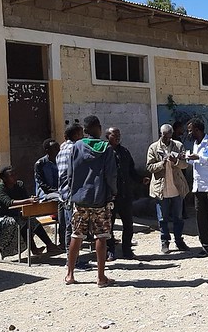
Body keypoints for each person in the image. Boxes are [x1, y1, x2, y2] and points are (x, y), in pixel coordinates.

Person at [65, 115, 118, 287]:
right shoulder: (106, 148)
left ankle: (70, 274)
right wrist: (113, 192)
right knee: (101, 236)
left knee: (76, 235)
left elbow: (70, 173)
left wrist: (72, 192)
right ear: (98, 128)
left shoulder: (76, 147)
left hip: (80, 199)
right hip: (100, 199)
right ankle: (101, 277)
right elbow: (111, 175)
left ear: (85, 130)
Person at [0, 166, 59, 259]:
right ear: (4, 178)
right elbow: (9, 202)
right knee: (22, 222)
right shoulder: (0, 188)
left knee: (32, 221)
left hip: (13, 215)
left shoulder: (19, 185)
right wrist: (28, 200)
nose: (14, 177)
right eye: (11, 175)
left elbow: (25, 198)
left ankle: (49, 245)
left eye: (15, 174)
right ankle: (34, 249)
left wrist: (32, 199)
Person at [147, 124, 190, 254]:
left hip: (177, 187)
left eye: (169, 136)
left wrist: (175, 161)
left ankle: (179, 241)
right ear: (160, 134)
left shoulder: (178, 146)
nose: (166, 139)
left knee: (178, 217)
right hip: (161, 188)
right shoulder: (154, 147)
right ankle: (165, 242)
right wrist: (162, 163)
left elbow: (185, 164)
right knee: (162, 218)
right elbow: (149, 167)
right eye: (164, 136)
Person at [106, 127, 148, 260]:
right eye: (114, 135)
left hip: (125, 194)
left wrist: (141, 179)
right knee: (109, 225)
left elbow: (131, 171)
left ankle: (127, 249)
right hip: (111, 196)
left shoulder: (124, 152)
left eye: (119, 134)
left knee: (128, 224)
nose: (117, 137)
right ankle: (110, 250)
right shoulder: (105, 152)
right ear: (107, 136)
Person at [185, 118, 208, 256]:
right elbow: (196, 163)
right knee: (201, 217)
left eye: (190, 131)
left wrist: (199, 158)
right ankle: (206, 245)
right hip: (198, 186)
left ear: (197, 130)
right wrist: (186, 159)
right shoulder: (196, 144)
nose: (189, 133)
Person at [56, 123, 84, 250]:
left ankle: (69, 253)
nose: (83, 136)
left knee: (68, 225)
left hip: (63, 193)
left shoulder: (61, 151)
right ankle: (72, 255)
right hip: (72, 192)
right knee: (73, 227)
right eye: (81, 133)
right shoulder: (75, 149)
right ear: (76, 135)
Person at [34, 138, 64, 247]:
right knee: (62, 200)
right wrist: (57, 191)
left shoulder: (61, 161)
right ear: (47, 150)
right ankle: (63, 239)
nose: (58, 150)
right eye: (55, 148)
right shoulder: (40, 164)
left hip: (59, 192)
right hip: (45, 194)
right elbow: (42, 184)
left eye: (58, 147)